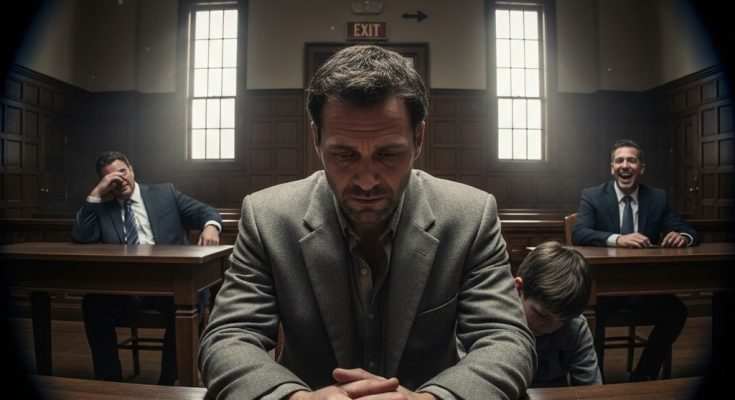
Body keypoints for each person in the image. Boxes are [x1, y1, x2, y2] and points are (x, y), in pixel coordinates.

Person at [198, 45, 536, 400]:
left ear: (418, 139)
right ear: (316, 139)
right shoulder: (267, 217)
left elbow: (506, 340)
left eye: (387, 154)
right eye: (345, 155)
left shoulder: (470, 216)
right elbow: (228, 338)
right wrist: (296, 399)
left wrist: (430, 399)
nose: (367, 180)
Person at [71, 150, 222, 385]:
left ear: (132, 170)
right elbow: (81, 237)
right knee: (93, 304)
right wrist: (96, 193)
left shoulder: (165, 194)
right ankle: (109, 380)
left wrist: (211, 226)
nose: (120, 179)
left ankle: (170, 380)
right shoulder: (102, 210)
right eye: (110, 178)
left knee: (193, 298)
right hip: (126, 288)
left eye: (123, 171)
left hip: (171, 285)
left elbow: (206, 212)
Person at [572, 138, 697, 381]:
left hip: (644, 287)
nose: (625, 165)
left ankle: (643, 376)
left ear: (641, 168)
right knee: (591, 313)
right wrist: (618, 239)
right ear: (612, 168)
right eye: (619, 161)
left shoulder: (658, 198)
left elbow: (689, 231)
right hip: (603, 289)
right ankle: (595, 382)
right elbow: (579, 233)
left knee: (676, 312)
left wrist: (682, 236)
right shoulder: (593, 196)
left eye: (631, 160)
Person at [514, 241, 601, 388]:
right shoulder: (493, 316)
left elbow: (590, 388)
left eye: (561, 320)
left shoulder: (575, 325)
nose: (549, 328)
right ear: (518, 288)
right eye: (542, 315)